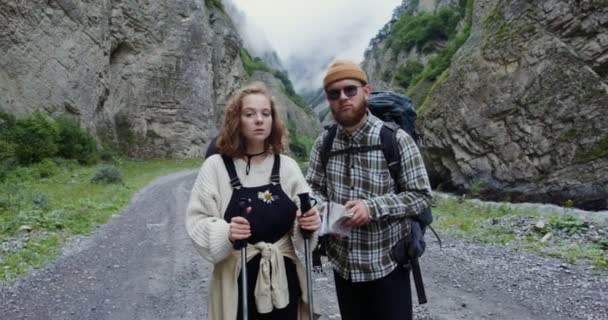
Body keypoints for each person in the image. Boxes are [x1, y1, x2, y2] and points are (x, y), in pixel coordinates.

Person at [305, 60, 432, 320]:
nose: (343, 97)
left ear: (366, 90)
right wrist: (326, 215)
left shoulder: (395, 139)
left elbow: (421, 196)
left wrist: (372, 208)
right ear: (328, 100)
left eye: (350, 89)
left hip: (387, 265)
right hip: (344, 267)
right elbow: (312, 188)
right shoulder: (324, 143)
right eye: (334, 93)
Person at [186, 82, 321, 320]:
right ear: (237, 120)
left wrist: (308, 224)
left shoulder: (287, 167)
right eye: (250, 114)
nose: (259, 119)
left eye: (265, 113)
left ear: (273, 120)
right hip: (237, 282)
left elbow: (305, 235)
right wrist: (226, 233)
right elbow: (197, 221)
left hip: (285, 280)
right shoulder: (216, 167)